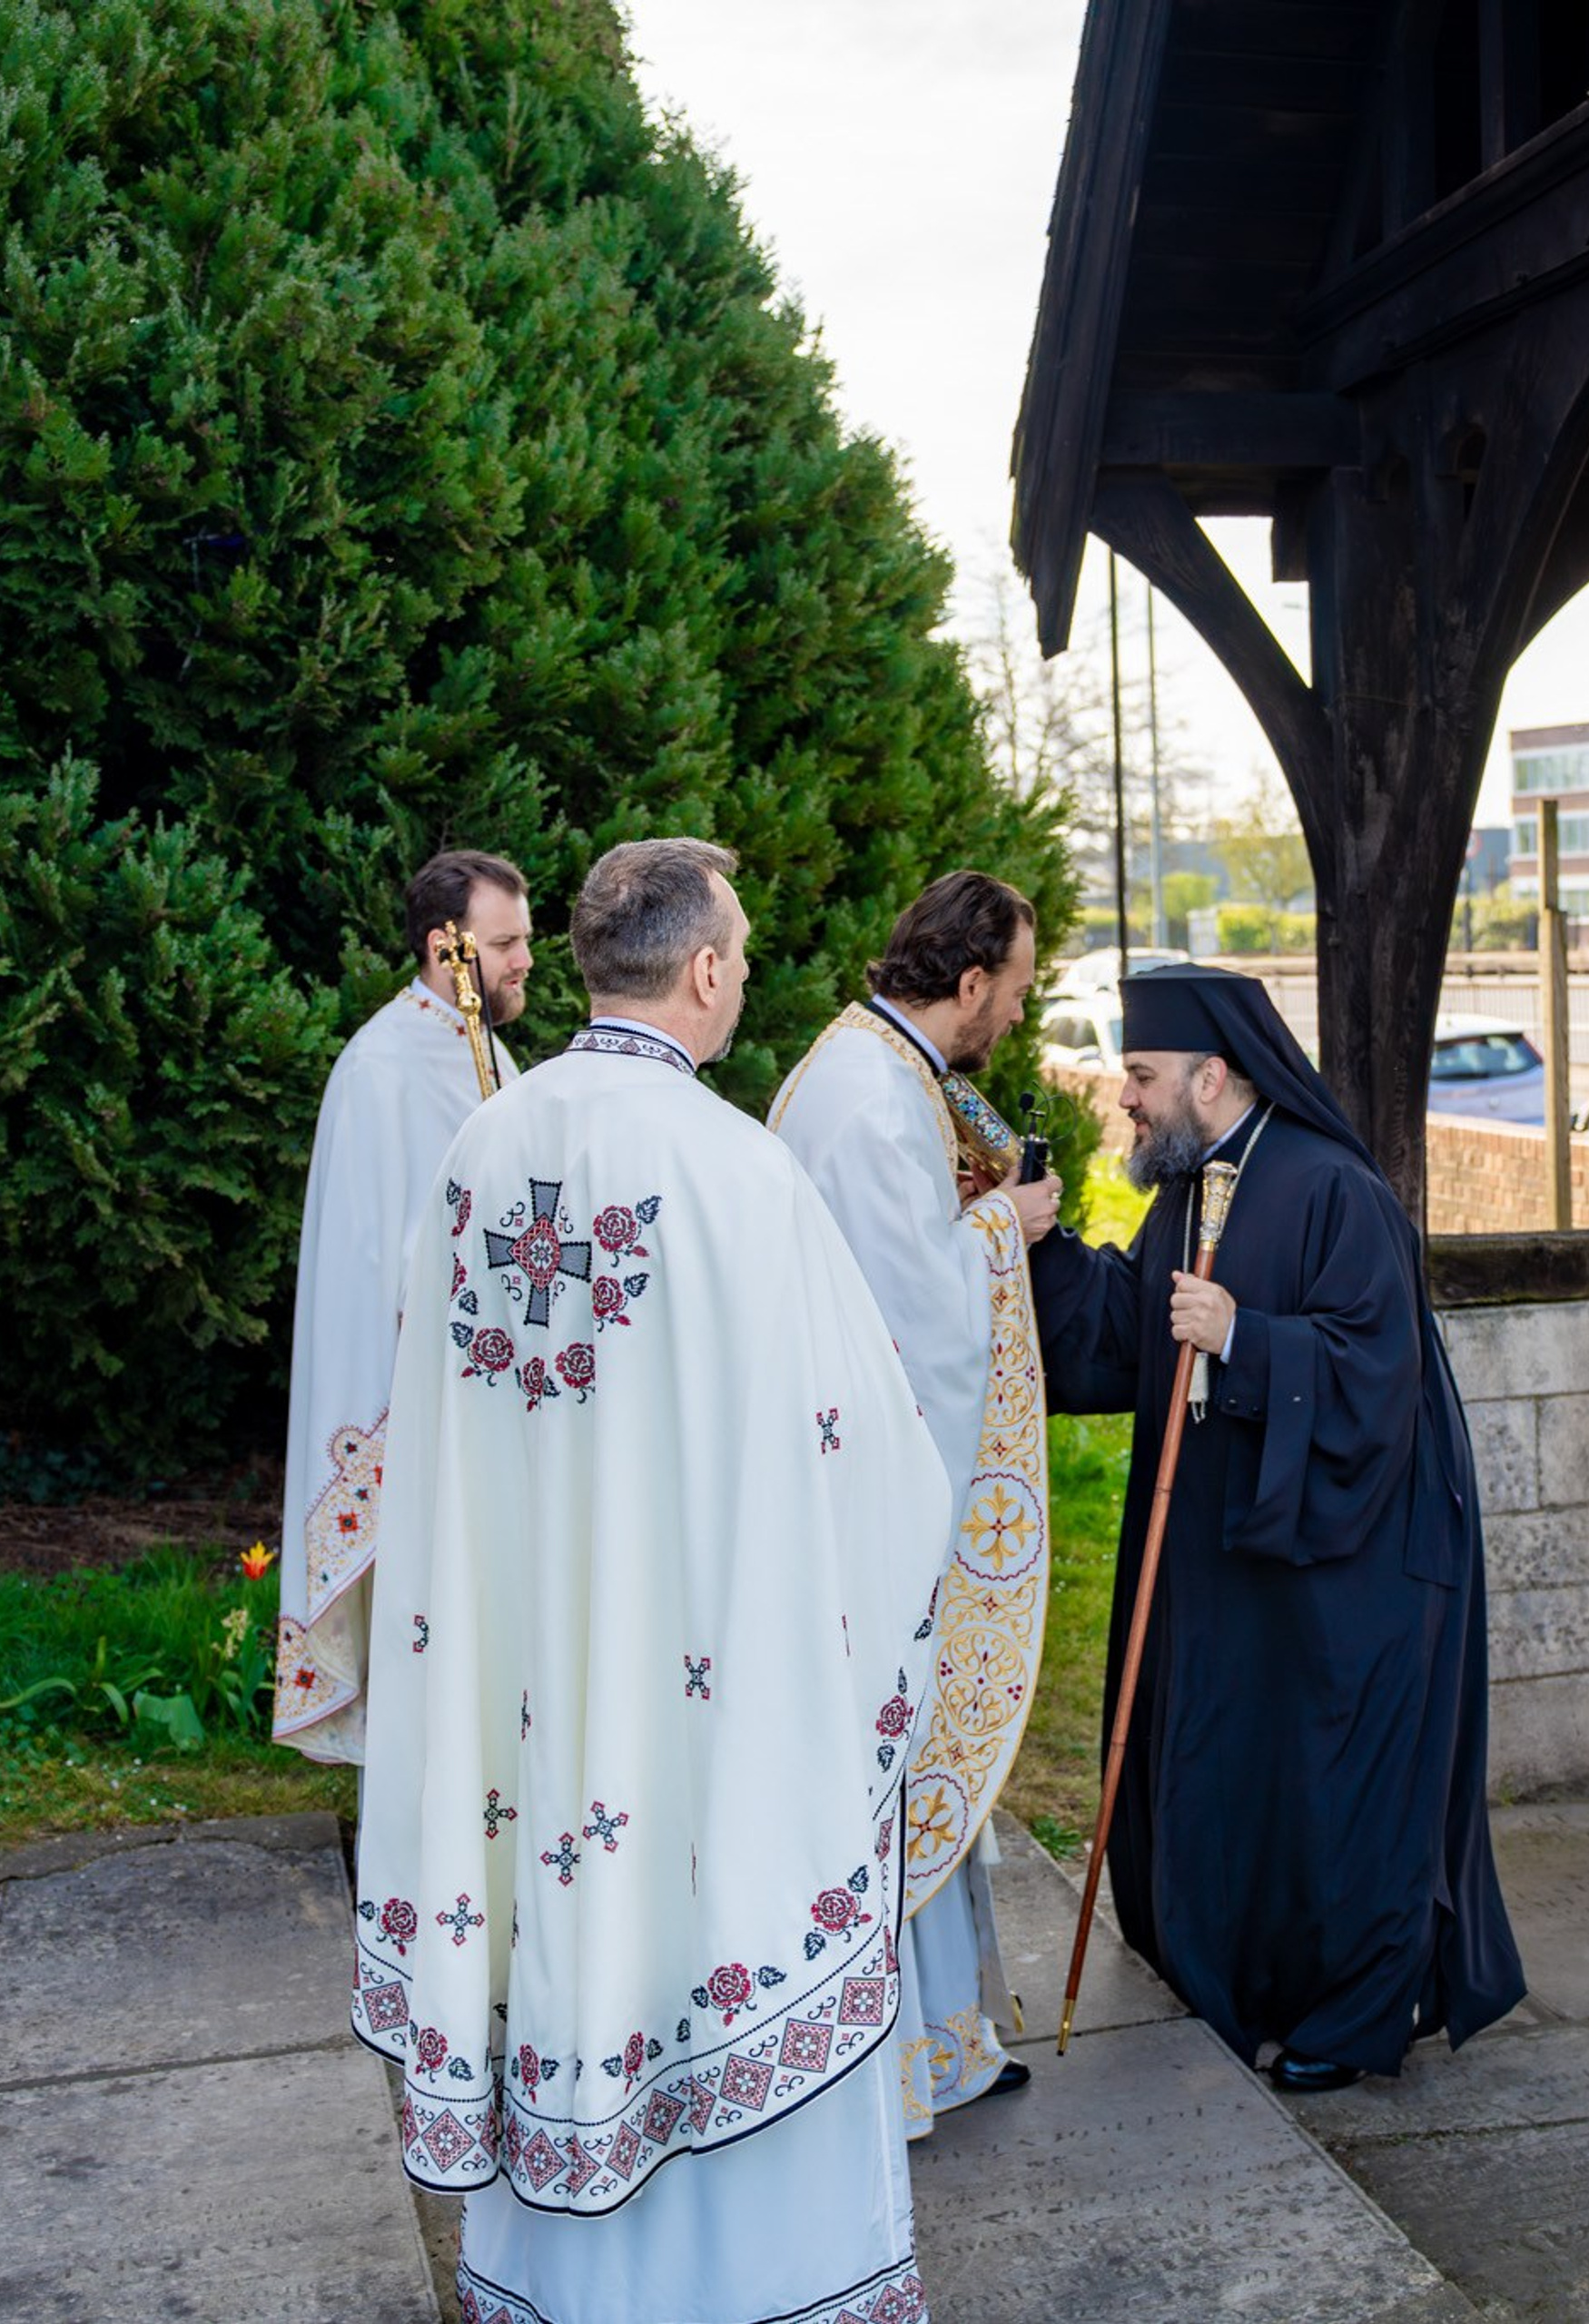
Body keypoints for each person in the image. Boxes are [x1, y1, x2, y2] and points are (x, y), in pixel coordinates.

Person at [351, 838, 953, 2324]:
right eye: (738, 955)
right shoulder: (737, 1170)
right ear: (703, 970)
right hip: (692, 1689)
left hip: (523, 1680)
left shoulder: (481, 1150)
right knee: (708, 1893)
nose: (739, 976)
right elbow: (861, 1450)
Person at [1027, 963, 1524, 2093]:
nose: (1125, 1098)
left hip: (1346, 1570)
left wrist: (1248, 1338)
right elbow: (1128, 1338)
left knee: (1333, 1794)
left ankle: (1348, 2019)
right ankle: (1236, 1983)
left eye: (1141, 1075)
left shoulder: (1334, 1188)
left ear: (1211, 1075)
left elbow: (1379, 1375)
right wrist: (1042, 1249)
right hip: (1230, 1557)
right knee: (1232, 1775)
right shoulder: (1192, 1188)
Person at [768, 870, 1061, 2135]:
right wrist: (1009, 1228)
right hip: (871, 1500)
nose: (1020, 1012)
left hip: (853, 1488)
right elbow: (910, 1320)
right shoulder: (871, 1094)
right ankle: (894, 2062)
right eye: (1018, 988)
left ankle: (944, 2042)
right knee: (895, 1753)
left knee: (911, 1758)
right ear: (971, 979)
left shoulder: (878, 1069)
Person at [273, 849, 531, 1761]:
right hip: (415, 1402)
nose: (524, 962)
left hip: (484, 1393)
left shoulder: (482, 1048)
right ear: (443, 946)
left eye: (524, 941)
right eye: (504, 944)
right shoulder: (383, 1067)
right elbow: (377, 1264)